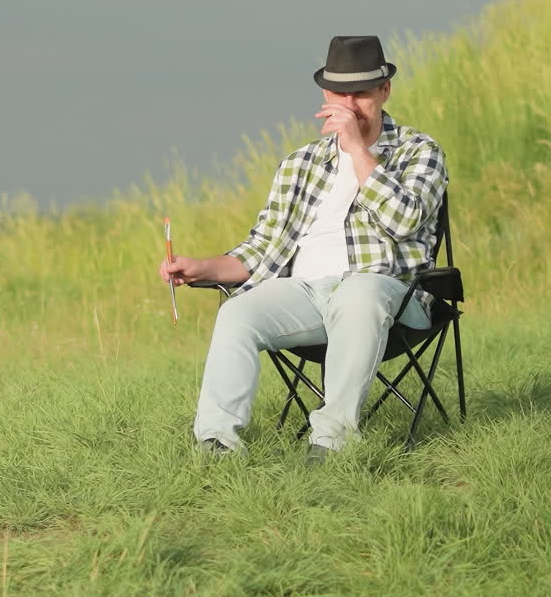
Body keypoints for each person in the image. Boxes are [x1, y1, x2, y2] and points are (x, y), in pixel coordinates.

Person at [158, 35, 448, 459]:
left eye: (361, 94)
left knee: (358, 292)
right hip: (306, 294)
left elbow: (404, 220)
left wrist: (357, 151)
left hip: (389, 292)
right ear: (325, 96)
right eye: (340, 94)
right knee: (238, 312)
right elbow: (261, 250)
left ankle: (332, 441)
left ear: (384, 90)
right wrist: (199, 267)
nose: (349, 105)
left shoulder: (418, 151)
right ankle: (217, 442)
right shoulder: (300, 163)